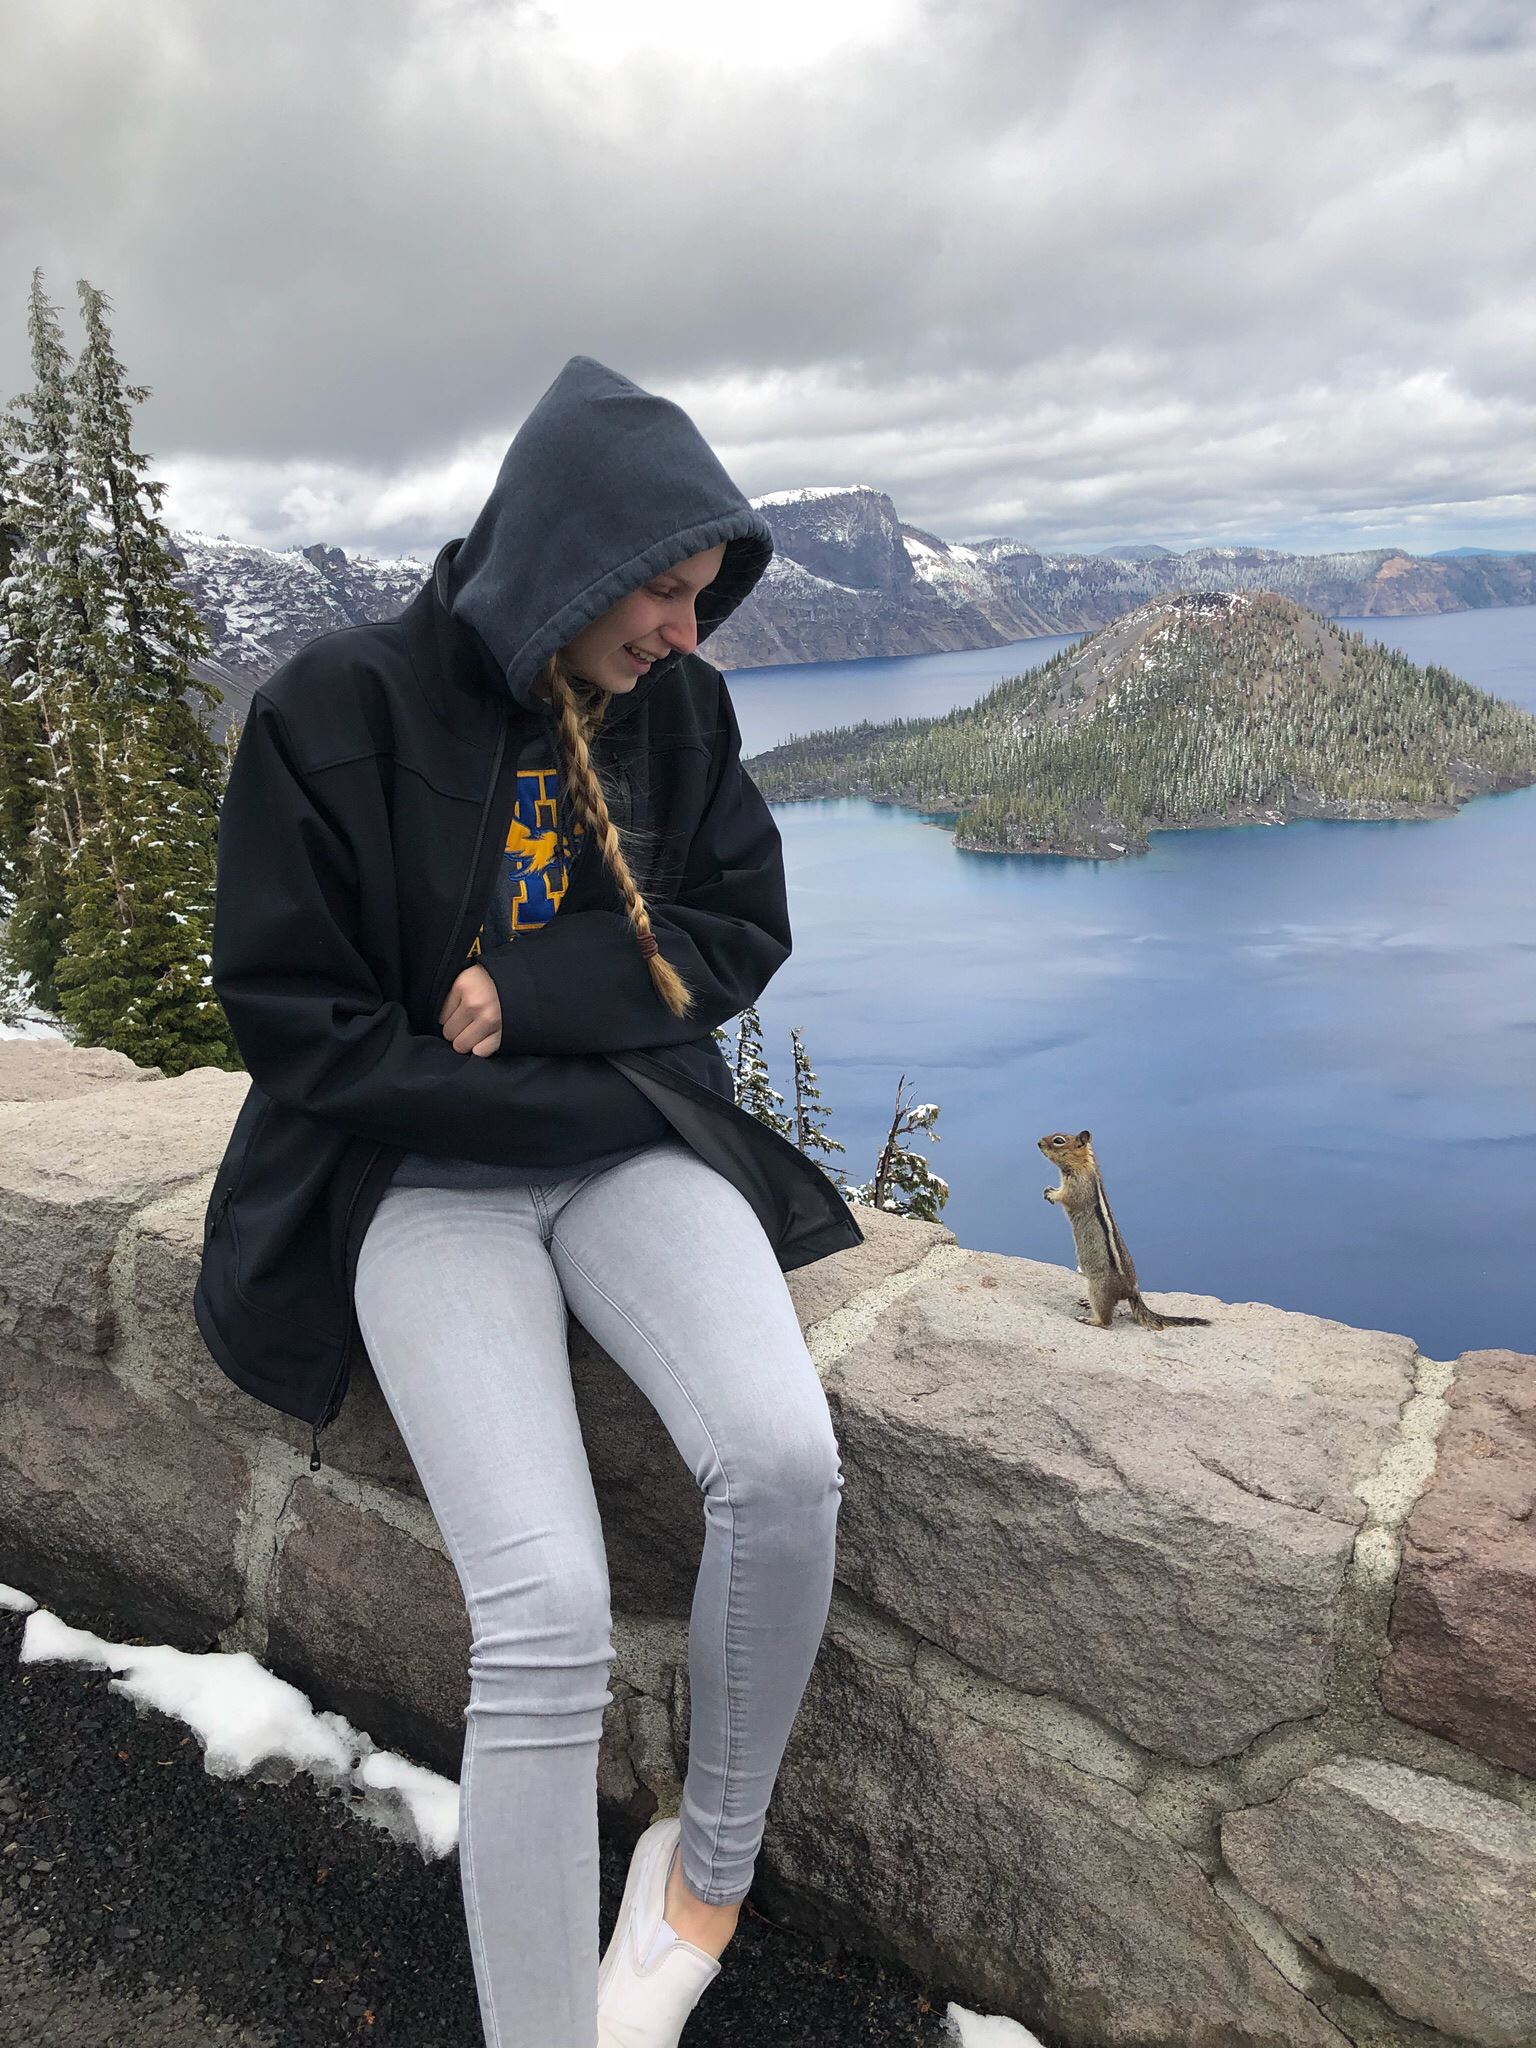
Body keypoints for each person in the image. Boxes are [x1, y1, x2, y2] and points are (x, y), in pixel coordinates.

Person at [195, 354, 866, 2048]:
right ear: (571, 557)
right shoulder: (334, 710)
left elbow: (737, 928)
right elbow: (295, 1021)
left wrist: (542, 992)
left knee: (785, 1468)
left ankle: (705, 1871)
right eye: (663, 591)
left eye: (702, 597)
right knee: (548, 1614)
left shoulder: (676, 714)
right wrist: (527, 1083)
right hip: (422, 1182)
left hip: (627, 1144)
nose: (686, 634)